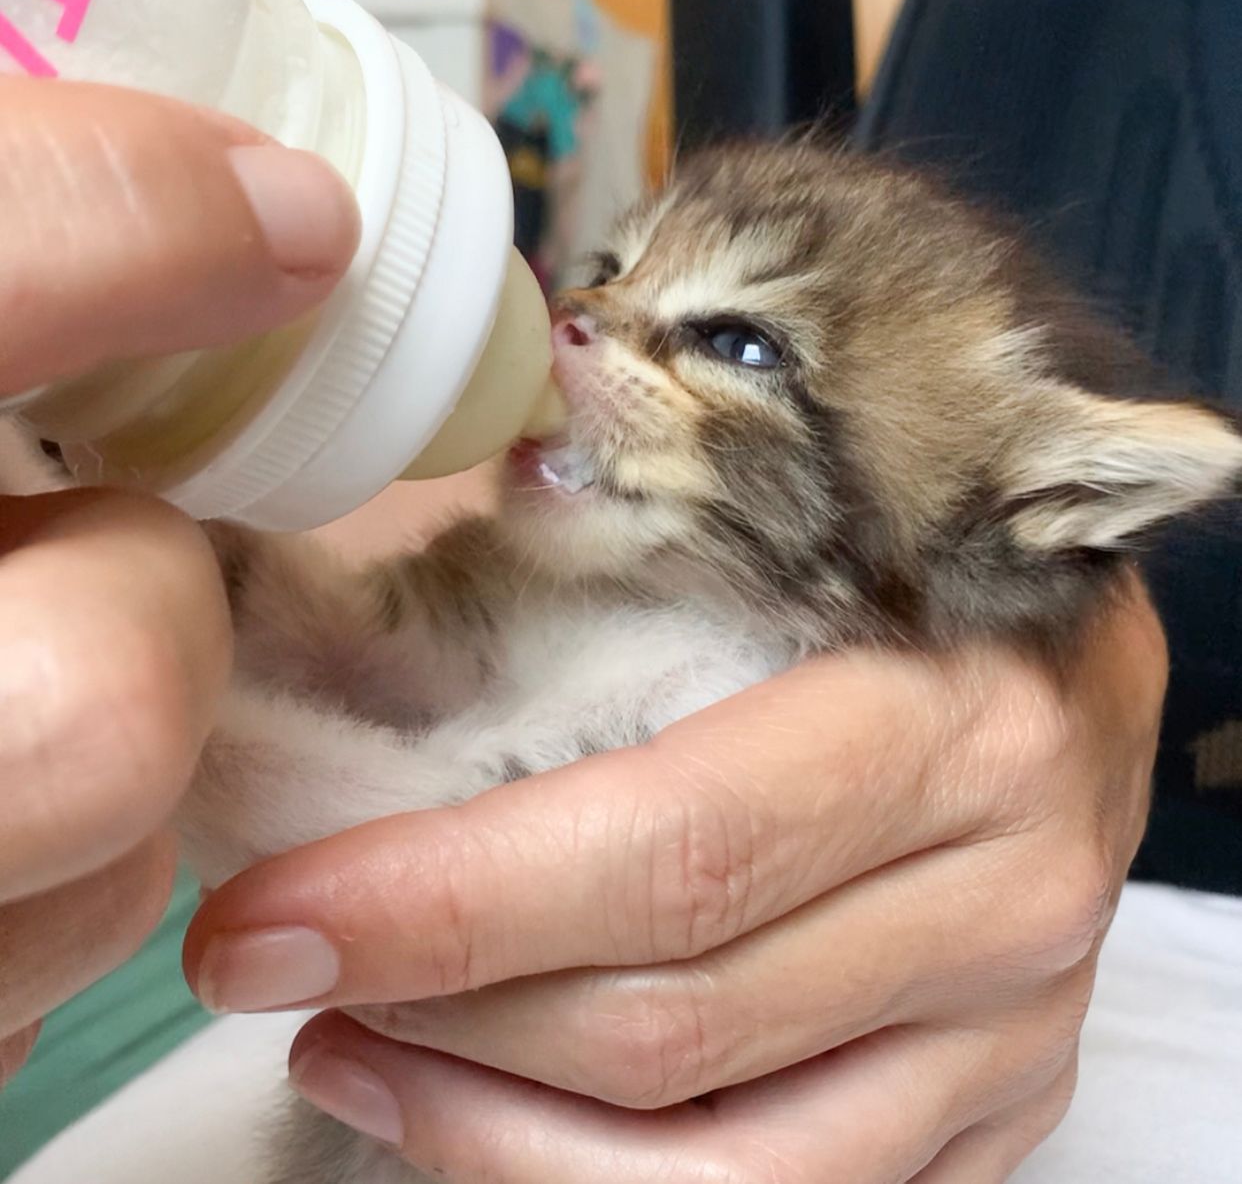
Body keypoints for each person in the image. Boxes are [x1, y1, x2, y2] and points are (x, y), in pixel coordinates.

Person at [0, 75, 1169, 1182]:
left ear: (991, 511)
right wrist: (94, 444)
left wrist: (168, 722)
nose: (586, 316)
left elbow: (392, 839)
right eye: (610, 270)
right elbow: (328, 645)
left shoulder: (752, 699)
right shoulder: (530, 585)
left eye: (740, 344)